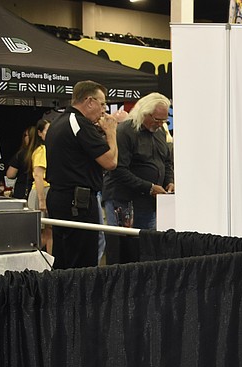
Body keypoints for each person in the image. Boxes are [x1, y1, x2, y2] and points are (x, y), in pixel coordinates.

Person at [44, 80, 118, 269]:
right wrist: (111, 133)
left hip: (61, 197)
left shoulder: (57, 123)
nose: (104, 110)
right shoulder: (79, 124)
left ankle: (60, 296)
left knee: (63, 257)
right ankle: (79, 297)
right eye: (102, 104)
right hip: (78, 202)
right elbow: (110, 162)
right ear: (89, 101)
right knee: (82, 261)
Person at [104, 92, 174, 231]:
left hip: (150, 203)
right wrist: (149, 187)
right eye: (157, 119)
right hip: (125, 201)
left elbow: (166, 161)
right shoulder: (125, 132)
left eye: (164, 121)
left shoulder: (159, 132)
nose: (160, 124)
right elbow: (119, 170)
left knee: (147, 245)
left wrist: (169, 181)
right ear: (144, 113)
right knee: (126, 246)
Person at [25, 119, 52, 254]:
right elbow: (38, 175)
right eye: (48, 130)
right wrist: (42, 200)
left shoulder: (43, 149)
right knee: (44, 234)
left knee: (48, 232)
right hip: (42, 191)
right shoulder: (42, 150)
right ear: (40, 133)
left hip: (42, 191)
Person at [5, 126, 35, 200]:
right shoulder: (43, 152)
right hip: (38, 190)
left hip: (22, 191)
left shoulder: (21, 154)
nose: (24, 138)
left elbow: (10, 174)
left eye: (26, 135)